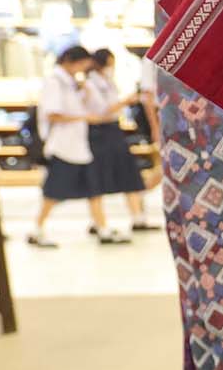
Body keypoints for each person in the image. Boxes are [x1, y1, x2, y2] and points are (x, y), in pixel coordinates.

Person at [28, 44, 124, 248]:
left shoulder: (72, 83)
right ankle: (36, 229)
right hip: (63, 146)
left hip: (79, 146)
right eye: (81, 65)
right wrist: (83, 117)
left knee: (94, 189)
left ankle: (103, 227)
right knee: (53, 192)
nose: (82, 70)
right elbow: (52, 113)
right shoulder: (55, 81)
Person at [82, 48, 157, 233]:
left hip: (114, 130)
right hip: (98, 133)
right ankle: (99, 223)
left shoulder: (107, 82)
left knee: (128, 172)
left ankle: (138, 217)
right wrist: (126, 101)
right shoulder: (90, 84)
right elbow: (102, 110)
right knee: (97, 178)